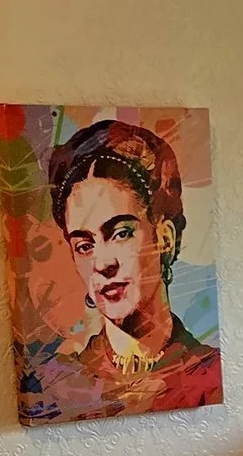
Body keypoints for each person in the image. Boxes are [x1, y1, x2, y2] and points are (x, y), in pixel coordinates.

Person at [37, 118, 222, 418]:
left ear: (164, 238)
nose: (103, 263)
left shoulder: (210, 376)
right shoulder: (59, 389)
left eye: (121, 233)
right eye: (85, 245)